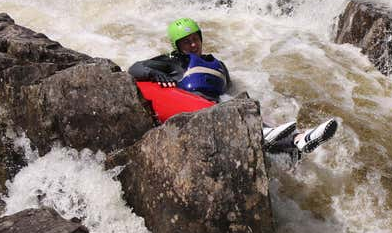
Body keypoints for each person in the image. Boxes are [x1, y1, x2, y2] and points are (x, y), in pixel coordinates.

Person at [128, 17, 338, 155]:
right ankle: (273, 136)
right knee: (235, 118)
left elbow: (228, 93)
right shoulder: (172, 62)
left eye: (195, 39)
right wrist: (155, 74)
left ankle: (300, 140)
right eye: (186, 42)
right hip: (191, 113)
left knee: (239, 109)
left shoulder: (219, 66)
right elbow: (135, 69)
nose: (193, 45)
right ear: (178, 47)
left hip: (215, 109)